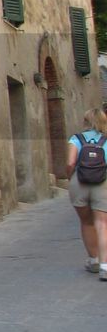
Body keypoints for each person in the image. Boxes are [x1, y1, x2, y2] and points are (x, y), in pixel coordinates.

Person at [67, 106, 107, 280]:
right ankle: (105, 267)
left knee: (86, 221)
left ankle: (94, 260)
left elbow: (70, 163)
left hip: (79, 181)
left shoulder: (76, 138)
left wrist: (72, 178)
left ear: (86, 121)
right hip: (103, 182)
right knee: (102, 224)